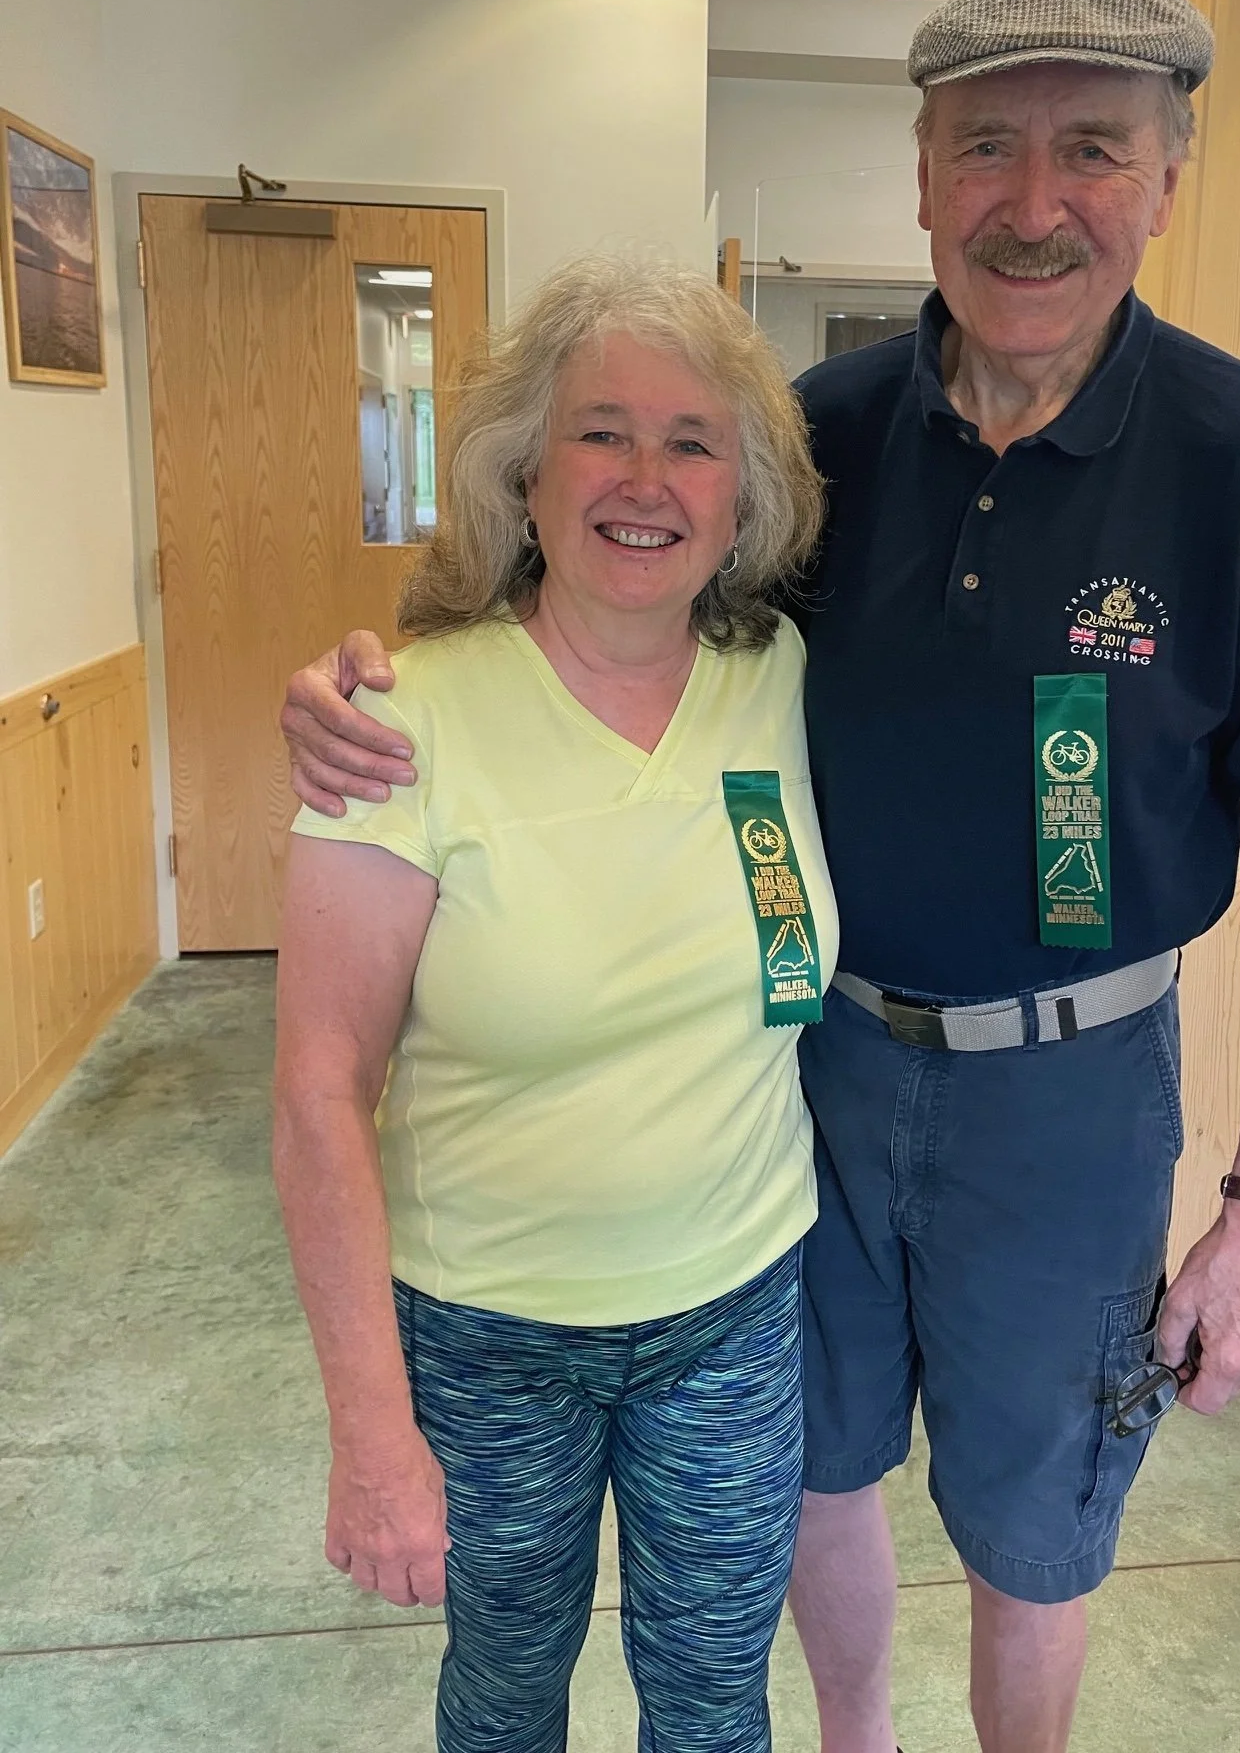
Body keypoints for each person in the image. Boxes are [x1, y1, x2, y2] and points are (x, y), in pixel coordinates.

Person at [281, 0, 1240, 1753]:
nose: (1035, 208)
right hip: (817, 1071)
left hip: (1076, 1089)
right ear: (924, 174)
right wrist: (359, 674)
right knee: (816, 1470)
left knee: (1041, 1520)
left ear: (1168, 178)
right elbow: (609, 584)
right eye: (986, 151)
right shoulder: (830, 436)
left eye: (1093, 150)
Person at [272, 255, 835, 1753]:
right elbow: (319, 1091)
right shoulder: (404, 720)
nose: (644, 479)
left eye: (693, 441)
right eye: (602, 431)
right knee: (509, 1694)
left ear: (742, 499)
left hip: (735, 1310)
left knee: (716, 1702)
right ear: (525, 474)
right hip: (487, 1332)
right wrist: (370, 1432)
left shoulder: (781, 675)